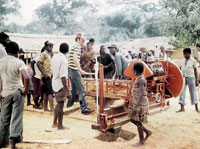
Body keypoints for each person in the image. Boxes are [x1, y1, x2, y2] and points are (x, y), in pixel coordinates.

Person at [0, 42, 29, 149]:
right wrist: (25, 90)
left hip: (5, 92)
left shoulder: (1, 62)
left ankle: (2, 142)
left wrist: (0, 94)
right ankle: (13, 143)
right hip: (17, 92)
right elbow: (26, 77)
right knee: (16, 117)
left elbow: (0, 80)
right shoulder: (19, 62)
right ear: (17, 52)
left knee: (4, 118)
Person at [67, 33, 94, 114]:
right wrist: (80, 69)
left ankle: (69, 106)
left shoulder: (75, 46)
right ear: (78, 39)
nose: (83, 42)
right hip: (74, 70)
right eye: (82, 40)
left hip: (70, 70)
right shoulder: (77, 47)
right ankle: (84, 108)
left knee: (74, 90)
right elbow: (75, 58)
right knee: (81, 89)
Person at [128, 63, 152, 147]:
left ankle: (141, 141)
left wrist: (135, 106)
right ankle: (147, 132)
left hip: (140, 104)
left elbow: (141, 93)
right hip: (136, 102)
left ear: (135, 70)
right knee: (132, 119)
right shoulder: (138, 79)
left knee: (137, 122)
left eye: (133, 69)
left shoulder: (141, 80)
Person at [52, 43, 71, 129]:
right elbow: (63, 77)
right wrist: (67, 91)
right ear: (67, 50)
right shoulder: (64, 60)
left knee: (58, 103)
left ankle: (55, 122)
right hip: (60, 84)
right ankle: (60, 125)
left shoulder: (55, 57)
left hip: (54, 82)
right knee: (60, 104)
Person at [177, 48, 200, 112]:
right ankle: (182, 108)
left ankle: (196, 108)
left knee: (193, 93)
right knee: (182, 92)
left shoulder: (193, 61)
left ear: (189, 54)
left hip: (191, 78)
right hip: (183, 78)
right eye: (184, 54)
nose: (184, 55)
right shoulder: (182, 60)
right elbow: (179, 68)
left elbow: (196, 71)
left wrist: (197, 80)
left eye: (186, 54)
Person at [37, 41, 54, 112]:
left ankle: (45, 108)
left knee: (45, 92)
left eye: (52, 46)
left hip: (47, 75)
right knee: (50, 92)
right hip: (46, 76)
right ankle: (52, 108)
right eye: (50, 46)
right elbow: (38, 63)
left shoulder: (48, 54)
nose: (52, 48)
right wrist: (44, 74)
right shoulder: (44, 54)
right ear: (46, 47)